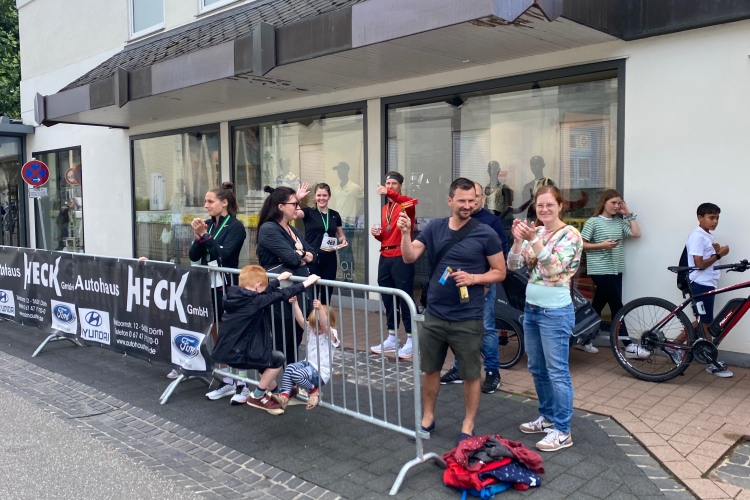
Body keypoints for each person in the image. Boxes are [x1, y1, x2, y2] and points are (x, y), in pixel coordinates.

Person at [398, 177, 506, 444]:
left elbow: (500, 272)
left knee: (470, 374)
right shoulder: (434, 227)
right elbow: (409, 257)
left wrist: (474, 278)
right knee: (431, 369)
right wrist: (404, 234)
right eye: (462, 200)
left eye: (472, 200)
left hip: (467, 317)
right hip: (435, 313)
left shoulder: (486, 233)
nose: (467, 205)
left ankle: (468, 426)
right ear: (450, 201)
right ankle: (427, 418)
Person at [508, 185, 582, 452]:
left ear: (560, 206)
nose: (544, 209)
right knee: (537, 368)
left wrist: (534, 241)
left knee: (557, 371)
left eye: (550, 204)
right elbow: (513, 265)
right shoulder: (536, 232)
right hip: (532, 310)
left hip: (556, 312)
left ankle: (562, 430)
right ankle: (547, 417)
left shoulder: (571, 234)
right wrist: (518, 240)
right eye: (540, 205)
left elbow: (554, 269)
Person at [210, 265, 320, 413]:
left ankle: (276, 393)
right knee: (277, 359)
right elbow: (282, 294)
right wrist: (307, 282)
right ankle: (257, 395)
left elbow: (263, 292)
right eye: (263, 287)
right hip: (240, 353)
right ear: (257, 286)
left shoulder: (233, 296)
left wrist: (278, 280)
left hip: (226, 351)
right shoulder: (255, 301)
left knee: (264, 364)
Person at [440, 181, 507, 394]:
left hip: (482, 285)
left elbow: (500, 257)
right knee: (459, 328)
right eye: (466, 198)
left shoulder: (493, 222)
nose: (471, 202)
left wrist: (484, 281)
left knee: (486, 328)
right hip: (457, 285)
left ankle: (492, 372)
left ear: (482, 198)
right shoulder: (454, 220)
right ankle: (460, 369)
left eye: (475, 197)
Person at [178, 182, 246, 385]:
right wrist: (198, 237)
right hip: (208, 283)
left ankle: (239, 381)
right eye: (205, 201)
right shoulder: (208, 224)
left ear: (224, 203)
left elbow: (224, 255)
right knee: (215, 328)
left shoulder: (235, 226)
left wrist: (205, 236)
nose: (205, 205)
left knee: (229, 332)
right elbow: (194, 255)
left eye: (210, 201)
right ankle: (226, 378)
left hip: (226, 285)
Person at [257, 185, 316, 365]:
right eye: (294, 204)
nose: (298, 207)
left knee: (294, 342)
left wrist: (301, 255)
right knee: (282, 343)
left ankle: (290, 379)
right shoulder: (269, 228)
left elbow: (313, 255)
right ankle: (272, 380)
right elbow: (292, 258)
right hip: (280, 297)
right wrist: (300, 256)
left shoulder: (293, 230)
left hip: (297, 294)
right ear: (281, 207)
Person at [579, 189, 643, 356]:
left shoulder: (618, 222)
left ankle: (583, 339)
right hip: (600, 270)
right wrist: (601, 245)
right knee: (617, 306)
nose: (616, 206)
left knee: (597, 306)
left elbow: (636, 234)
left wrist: (628, 214)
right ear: (604, 203)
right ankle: (628, 345)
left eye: (619, 203)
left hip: (616, 269)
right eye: (613, 202)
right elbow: (580, 244)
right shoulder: (593, 222)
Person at [678, 203, 732, 377]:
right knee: (706, 321)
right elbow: (699, 264)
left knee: (704, 320)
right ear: (699, 218)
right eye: (711, 217)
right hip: (700, 283)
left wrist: (715, 251)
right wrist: (719, 254)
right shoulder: (697, 236)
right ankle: (711, 362)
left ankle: (675, 345)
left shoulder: (707, 235)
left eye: (717, 218)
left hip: (708, 283)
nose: (715, 221)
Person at [370, 171, 418, 359]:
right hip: (385, 254)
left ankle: (412, 340)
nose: (390, 187)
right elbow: (387, 234)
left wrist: (388, 192)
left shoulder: (406, 204)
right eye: (387, 183)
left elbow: (407, 201)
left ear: (400, 186)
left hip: (401, 255)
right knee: (388, 298)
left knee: (405, 298)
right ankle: (392, 337)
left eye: (393, 184)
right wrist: (377, 235)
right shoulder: (385, 209)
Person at [272, 297, 340, 411]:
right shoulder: (311, 330)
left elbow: (324, 325)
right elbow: (300, 320)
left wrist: (320, 309)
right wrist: (295, 303)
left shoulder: (331, 334)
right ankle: (284, 396)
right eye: (313, 326)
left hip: (320, 371)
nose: (315, 330)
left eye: (318, 328)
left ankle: (313, 392)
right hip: (308, 364)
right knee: (289, 368)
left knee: (297, 374)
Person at [296, 183, 348, 304]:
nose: (321, 198)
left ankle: (325, 316)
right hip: (312, 258)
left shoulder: (334, 215)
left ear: (329, 196)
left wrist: (343, 240)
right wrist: (298, 198)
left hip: (330, 258)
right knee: (312, 295)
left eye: (324, 195)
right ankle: (311, 316)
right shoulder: (309, 212)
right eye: (319, 195)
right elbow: (294, 213)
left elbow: (340, 234)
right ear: (315, 196)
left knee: (326, 295)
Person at [329, 162, 363, 282]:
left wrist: (357, 216)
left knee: (346, 249)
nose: (339, 172)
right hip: (336, 223)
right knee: (338, 250)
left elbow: (364, 202)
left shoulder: (355, 187)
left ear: (347, 170)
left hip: (348, 223)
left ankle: (349, 276)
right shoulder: (335, 189)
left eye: (341, 170)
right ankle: (344, 274)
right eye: (338, 170)